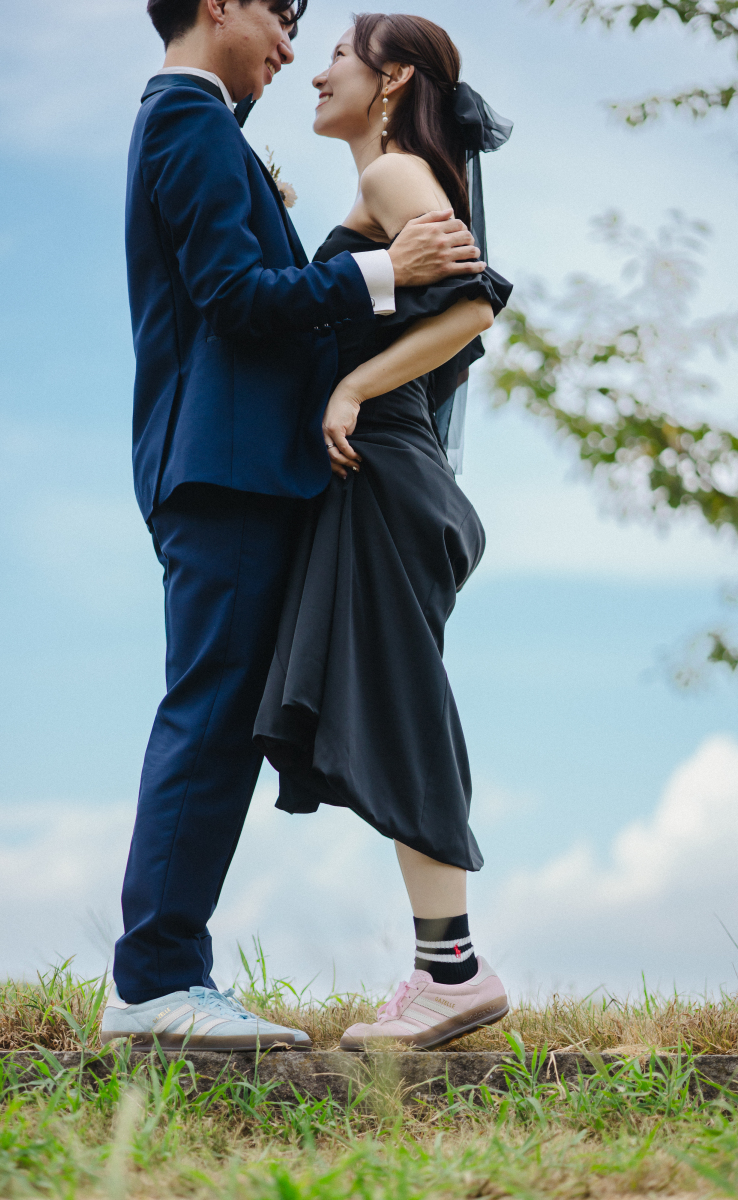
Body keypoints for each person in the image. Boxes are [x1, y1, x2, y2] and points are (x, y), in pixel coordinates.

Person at [100, 0, 490, 1052]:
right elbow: (233, 298)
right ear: (217, 2)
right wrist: (378, 275)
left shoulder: (210, 131)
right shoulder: (186, 121)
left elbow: (467, 302)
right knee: (213, 708)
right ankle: (155, 977)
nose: (287, 48)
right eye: (280, 17)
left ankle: (185, 970)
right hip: (223, 475)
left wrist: (361, 371)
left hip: (257, 476)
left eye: (312, 35)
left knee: (238, 713)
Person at [254, 13, 513, 1049]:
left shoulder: (396, 175)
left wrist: (354, 386)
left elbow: (472, 307)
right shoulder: (379, 186)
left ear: (392, 76)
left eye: (336, 59)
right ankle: (441, 964)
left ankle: (450, 970)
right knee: (392, 699)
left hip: (388, 472)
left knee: (400, 702)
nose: (314, 75)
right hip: (391, 479)